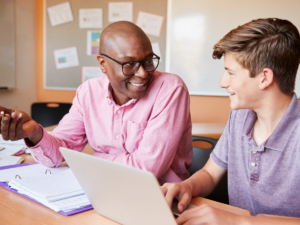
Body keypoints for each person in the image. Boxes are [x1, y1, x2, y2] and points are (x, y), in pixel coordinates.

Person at [0, 21, 193, 185]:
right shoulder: (88, 92)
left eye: (148, 60)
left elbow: (146, 170)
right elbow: (59, 154)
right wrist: (35, 133)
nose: (143, 73)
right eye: (129, 64)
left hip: (160, 197)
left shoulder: (170, 88)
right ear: (102, 64)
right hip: (103, 188)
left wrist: (94, 158)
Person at [162, 18, 300, 224]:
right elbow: (210, 174)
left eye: (230, 73)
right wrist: (187, 186)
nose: (222, 82)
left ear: (264, 78)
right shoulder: (240, 116)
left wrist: (238, 221)